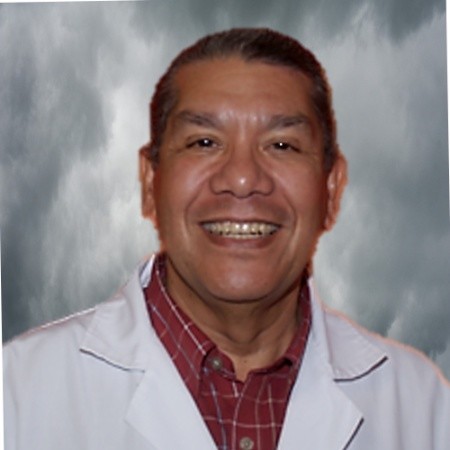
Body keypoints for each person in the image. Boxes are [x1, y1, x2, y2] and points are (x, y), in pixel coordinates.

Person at [3, 28, 450, 450]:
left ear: (331, 190)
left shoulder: (422, 407)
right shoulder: (18, 394)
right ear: (149, 182)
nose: (241, 178)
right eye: (204, 142)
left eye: (282, 145)